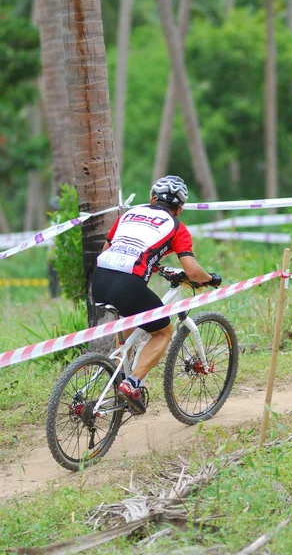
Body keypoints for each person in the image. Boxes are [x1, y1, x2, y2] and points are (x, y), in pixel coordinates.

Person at [92, 175, 222, 414]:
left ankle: (122, 371)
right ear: (179, 209)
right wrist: (209, 278)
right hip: (128, 283)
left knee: (128, 314)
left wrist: (155, 266)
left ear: (151, 198)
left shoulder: (128, 215)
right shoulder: (176, 226)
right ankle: (132, 384)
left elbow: (107, 249)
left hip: (99, 278)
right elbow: (192, 270)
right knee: (164, 332)